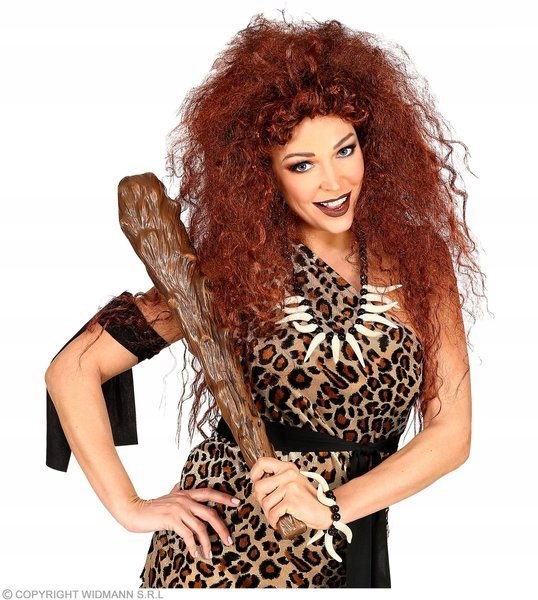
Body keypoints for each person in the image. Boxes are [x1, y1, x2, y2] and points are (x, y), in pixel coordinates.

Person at [44, 14, 482, 588]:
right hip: (228, 553)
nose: (333, 182)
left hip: (346, 540)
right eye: (302, 164)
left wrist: (331, 507)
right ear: (265, 174)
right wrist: (130, 506)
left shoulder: (421, 259)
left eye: (344, 150)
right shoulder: (232, 268)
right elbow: (74, 368)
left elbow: (451, 435)